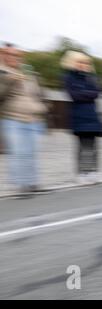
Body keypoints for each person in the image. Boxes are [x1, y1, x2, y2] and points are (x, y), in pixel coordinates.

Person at [0, 43, 47, 195]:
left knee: (31, 152)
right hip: (12, 118)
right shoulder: (2, 72)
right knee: (18, 152)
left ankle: (33, 183)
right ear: (3, 55)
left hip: (33, 118)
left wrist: (42, 106)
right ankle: (21, 185)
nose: (13, 58)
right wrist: (9, 81)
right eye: (9, 54)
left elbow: (38, 92)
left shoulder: (28, 71)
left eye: (17, 55)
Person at [61, 51, 102, 184]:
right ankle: (81, 173)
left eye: (85, 62)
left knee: (93, 147)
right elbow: (74, 96)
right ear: (72, 63)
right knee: (82, 147)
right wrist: (88, 93)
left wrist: (84, 93)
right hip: (79, 116)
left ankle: (94, 172)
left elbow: (97, 93)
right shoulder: (68, 77)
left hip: (92, 116)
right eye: (80, 62)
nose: (83, 65)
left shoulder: (92, 78)